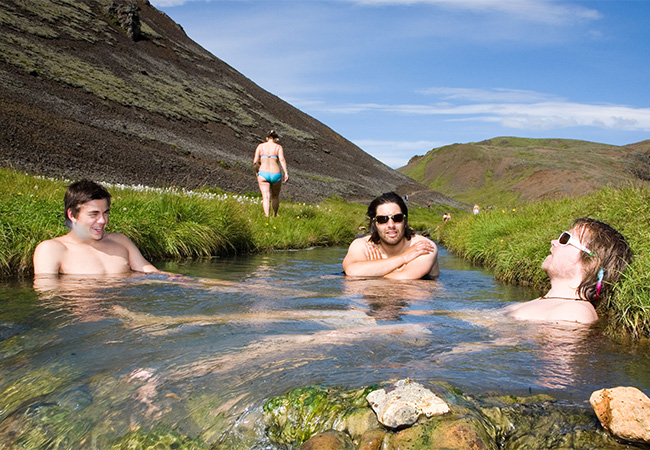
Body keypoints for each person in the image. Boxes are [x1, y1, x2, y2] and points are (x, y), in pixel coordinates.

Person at [506, 218, 632, 324]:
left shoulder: (575, 313)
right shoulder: (553, 305)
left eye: (565, 239)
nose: (554, 242)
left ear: (591, 263)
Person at [33, 180, 159, 275]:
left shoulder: (120, 241)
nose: (102, 220)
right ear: (72, 215)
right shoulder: (52, 249)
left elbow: (152, 274)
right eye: (93, 214)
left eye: (105, 213)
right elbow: (48, 296)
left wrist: (177, 280)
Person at [342, 192, 439, 280]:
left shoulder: (423, 246)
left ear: (405, 221)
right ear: (374, 223)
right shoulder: (362, 245)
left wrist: (371, 272)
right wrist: (403, 258)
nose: (391, 225)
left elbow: (406, 279)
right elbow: (352, 271)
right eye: (382, 219)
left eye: (397, 218)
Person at [253, 130, 289, 217]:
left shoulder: (260, 146)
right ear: (276, 139)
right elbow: (282, 160)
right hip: (275, 173)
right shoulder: (278, 147)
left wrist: (257, 171)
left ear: (267, 138)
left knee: (266, 197)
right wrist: (286, 172)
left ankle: (267, 216)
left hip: (263, 173)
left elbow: (255, 162)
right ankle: (275, 214)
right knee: (275, 196)